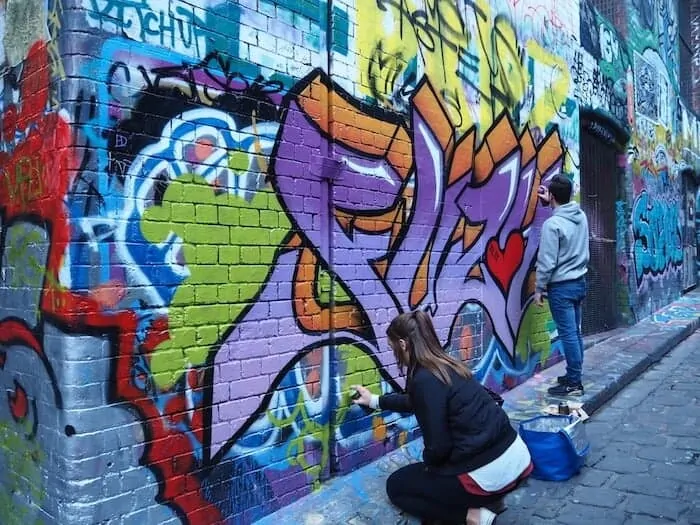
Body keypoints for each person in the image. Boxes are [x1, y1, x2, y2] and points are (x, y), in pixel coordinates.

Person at [351, 311, 533, 525]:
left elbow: (439, 449)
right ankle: (494, 499)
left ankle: (475, 516)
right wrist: (374, 400)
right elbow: (416, 401)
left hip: (490, 474)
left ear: (403, 344)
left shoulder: (424, 379)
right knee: (426, 474)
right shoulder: (446, 366)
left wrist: (430, 468)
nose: (394, 355)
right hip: (517, 458)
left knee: (398, 485)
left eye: (393, 349)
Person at [534, 175, 590, 397]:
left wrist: (539, 288)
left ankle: (574, 383)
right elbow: (563, 215)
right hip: (579, 283)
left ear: (553, 196)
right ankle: (573, 374)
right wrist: (552, 203)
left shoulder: (552, 225)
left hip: (561, 287)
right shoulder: (581, 216)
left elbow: (547, 261)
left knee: (567, 335)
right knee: (574, 333)